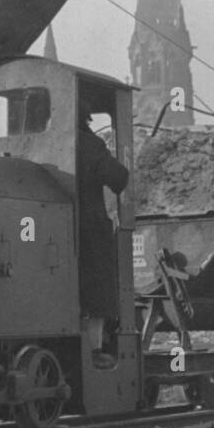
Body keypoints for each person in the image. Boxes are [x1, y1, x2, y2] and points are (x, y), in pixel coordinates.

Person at [76, 94, 129, 364]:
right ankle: (95, 349)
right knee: (98, 289)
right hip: (87, 227)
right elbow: (119, 177)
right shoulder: (89, 144)